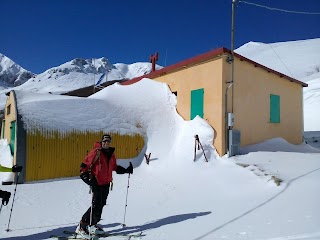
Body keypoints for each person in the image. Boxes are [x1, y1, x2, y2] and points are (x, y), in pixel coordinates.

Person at [76, 134, 133, 239]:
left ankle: (93, 225)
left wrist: (126, 170)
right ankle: (82, 226)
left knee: (101, 204)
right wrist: (89, 180)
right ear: (101, 142)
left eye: (108, 141)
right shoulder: (96, 152)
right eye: (104, 141)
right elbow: (83, 167)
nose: (106, 143)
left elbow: (114, 167)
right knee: (95, 205)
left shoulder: (111, 154)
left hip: (106, 184)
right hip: (97, 183)